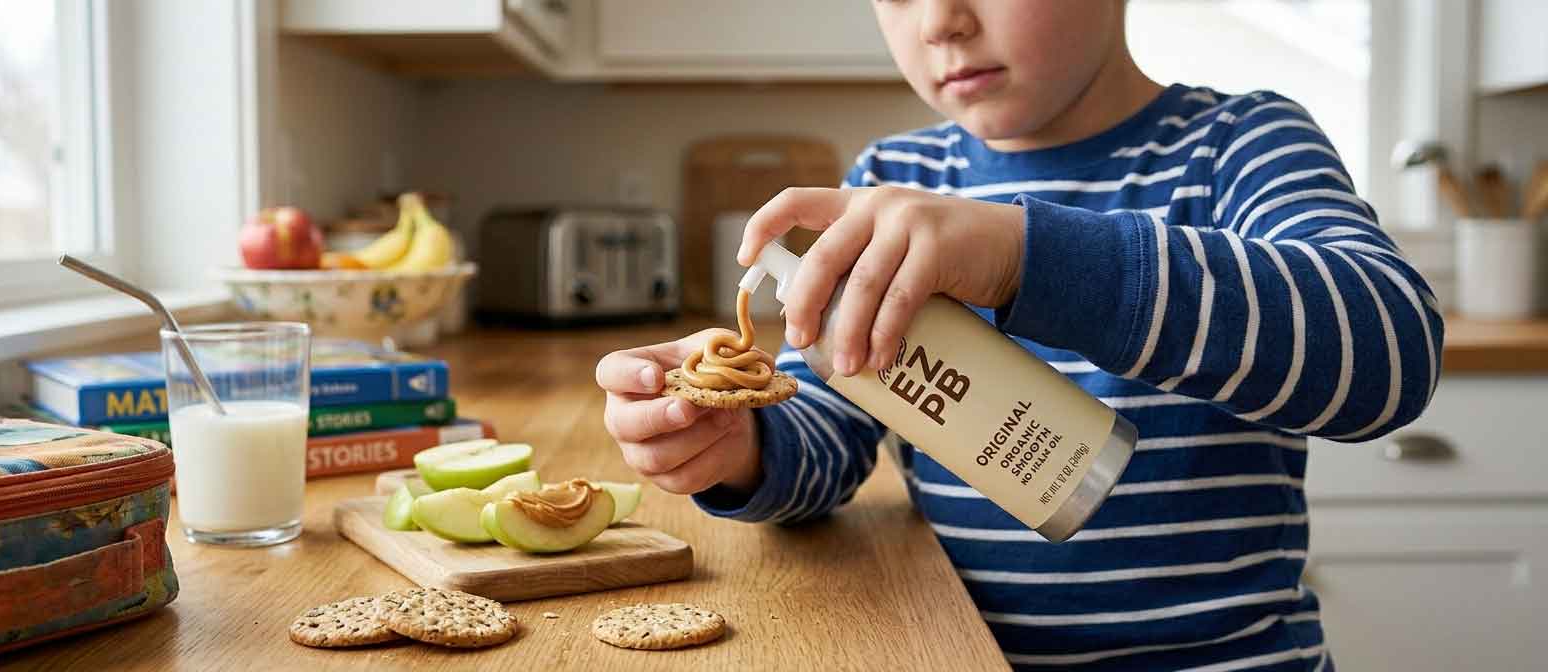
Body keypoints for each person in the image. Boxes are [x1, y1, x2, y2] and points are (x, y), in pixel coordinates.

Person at [595, 1, 1442, 668]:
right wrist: (743, 446)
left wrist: (1021, 257)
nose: (941, 21)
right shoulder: (897, 179)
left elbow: (1390, 356)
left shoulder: (1239, 146)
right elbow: (832, 422)